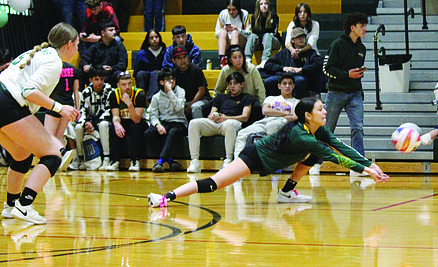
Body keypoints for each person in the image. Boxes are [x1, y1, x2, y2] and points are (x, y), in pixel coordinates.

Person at [148, 97, 389, 208]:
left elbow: (342, 148)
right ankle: (165, 197)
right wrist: (366, 170)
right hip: (255, 158)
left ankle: (286, 193)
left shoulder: (318, 129)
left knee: (314, 156)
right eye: (320, 109)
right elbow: (333, 155)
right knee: (214, 184)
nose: (325, 112)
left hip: (275, 160)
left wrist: (368, 164)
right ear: (308, 115)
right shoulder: (301, 134)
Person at [0, 23, 79, 224]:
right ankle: (24, 206)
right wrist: (60, 108)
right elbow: (28, 91)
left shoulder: (35, 54)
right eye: (77, 45)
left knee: (21, 156)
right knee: (53, 154)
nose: (77, 50)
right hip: (6, 104)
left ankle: (10, 205)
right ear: (68, 44)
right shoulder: (54, 62)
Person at [310, 12, 367, 175]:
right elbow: (326, 69)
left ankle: (358, 165)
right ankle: (316, 161)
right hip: (336, 93)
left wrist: (357, 75)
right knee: (326, 129)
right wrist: (346, 74)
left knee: (358, 128)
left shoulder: (362, 48)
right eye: (361, 26)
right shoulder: (337, 44)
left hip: (355, 93)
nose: (365, 29)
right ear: (352, 27)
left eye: (365, 25)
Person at [187, 72, 254, 172]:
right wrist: (214, 117)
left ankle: (228, 159)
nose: (232, 86)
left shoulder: (246, 98)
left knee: (230, 124)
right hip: (218, 122)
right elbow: (212, 113)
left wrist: (227, 118)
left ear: (242, 84)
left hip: (232, 122)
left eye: (235, 83)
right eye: (230, 84)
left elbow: (245, 117)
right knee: (194, 123)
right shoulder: (221, 97)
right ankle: (195, 161)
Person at [233, 73, 299, 159]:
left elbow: (294, 117)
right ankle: (237, 162)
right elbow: (265, 111)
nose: (287, 86)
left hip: (283, 123)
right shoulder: (270, 98)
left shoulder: (297, 102)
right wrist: (286, 113)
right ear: (279, 86)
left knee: (271, 126)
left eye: (290, 83)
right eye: (284, 83)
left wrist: (274, 112)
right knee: (242, 133)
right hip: (265, 122)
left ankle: (272, 161)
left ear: (293, 86)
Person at [144, 68, 188, 173]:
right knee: (148, 133)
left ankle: (160, 161)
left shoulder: (181, 91)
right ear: (162, 82)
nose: (172, 81)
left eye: (173, 79)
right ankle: (170, 160)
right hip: (165, 123)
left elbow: (179, 108)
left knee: (172, 132)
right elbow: (153, 115)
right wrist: (158, 125)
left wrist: (170, 93)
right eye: (168, 79)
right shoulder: (156, 97)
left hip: (179, 122)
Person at [263, 27, 324, 98]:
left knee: (300, 81)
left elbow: (319, 63)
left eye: (303, 37)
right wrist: (284, 68)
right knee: (268, 81)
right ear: (293, 40)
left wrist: (302, 69)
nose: (301, 39)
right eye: (298, 37)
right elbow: (268, 64)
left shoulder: (310, 52)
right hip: (283, 76)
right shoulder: (284, 52)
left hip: (301, 76)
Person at [74, 67, 113, 171]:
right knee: (78, 127)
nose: (99, 82)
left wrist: (94, 123)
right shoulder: (86, 92)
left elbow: (109, 111)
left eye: (101, 79)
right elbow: (82, 111)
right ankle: (81, 158)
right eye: (96, 79)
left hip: (105, 122)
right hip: (90, 122)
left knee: (103, 125)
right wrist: (86, 122)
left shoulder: (109, 91)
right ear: (90, 80)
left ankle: (107, 158)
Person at [107, 71, 148, 172]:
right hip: (124, 122)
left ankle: (135, 160)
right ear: (118, 85)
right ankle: (114, 160)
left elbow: (137, 119)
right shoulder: (114, 94)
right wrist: (116, 123)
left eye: (129, 83)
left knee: (135, 127)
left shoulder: (139, 95)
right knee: (113, 127)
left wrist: (129, 104)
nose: (127, 87)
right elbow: (116, 115)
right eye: (124, 84)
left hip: (139, 122)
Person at [44, 61, 80, 172]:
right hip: (69, 104)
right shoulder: (73, 68)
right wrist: (77, 109)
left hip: (55, 104)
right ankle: (59, 161)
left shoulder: (53, 66)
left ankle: (63, 153)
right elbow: (76, 90)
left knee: (48, 135)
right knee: (59, 135)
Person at [79, 20, 128, 86]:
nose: (114, 32)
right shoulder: (95, 46)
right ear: (103, 33)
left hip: (112, 74)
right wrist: (85, 65)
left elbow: (123, 64)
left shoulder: (119, 46)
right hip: (97, 73)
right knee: (80, 73)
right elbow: (84, 59)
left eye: (114, 30)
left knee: (118, 74)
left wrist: (111, 68)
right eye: (111, 30)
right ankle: (81, 94)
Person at [171, 46, 212, 120]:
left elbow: (201, 91)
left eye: (184, 57)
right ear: (174, 60)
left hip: (201, 100)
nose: (182, 60)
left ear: (188, 57)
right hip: (184, 101)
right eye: (179, 58)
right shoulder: (174, 73)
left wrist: (189, 106)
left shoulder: (196, 70)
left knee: (195, 107)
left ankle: (198, 129)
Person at [215, 0, 250, 66]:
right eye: (229, 9)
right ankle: (222, 60)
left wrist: (238, 30)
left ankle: (234, 57)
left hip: (240, 41)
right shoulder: (223, 14)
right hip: (227, 41)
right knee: (222, 33)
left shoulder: (244, 14)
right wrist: (224, 29)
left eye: (233, 9)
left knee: (234, 33)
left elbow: (249, 34)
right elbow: (216, 34)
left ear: (238, 8)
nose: (231, 12)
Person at [245, 0, 280, 68]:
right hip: (260, 41)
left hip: (273, 41)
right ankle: (247, 59)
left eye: (266, 3)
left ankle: (265, 60)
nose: (264, 6)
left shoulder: (274, 16)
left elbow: (273, 32)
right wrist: (259, 37)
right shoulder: (254, 17)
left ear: (269, 5)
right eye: (261, 4)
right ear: (258, 6)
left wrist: (261, 36)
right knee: (252, 36)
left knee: (267, 35)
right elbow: (255, 32)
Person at [133, 29, 166, 99]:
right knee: (140, 74)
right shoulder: (141, 53)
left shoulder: (165, 51)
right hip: (145, 79)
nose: (154, 39)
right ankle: (140, 98)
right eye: (151, 38)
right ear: (148, 40)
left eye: (156, 37)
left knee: (155, 73)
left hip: (160, 79)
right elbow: (136, 72)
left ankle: (152, 99)